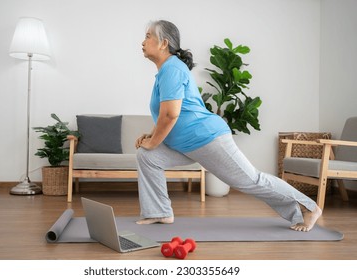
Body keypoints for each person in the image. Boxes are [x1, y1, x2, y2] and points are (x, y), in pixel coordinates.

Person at [135, 20, 322, 232]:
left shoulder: (172, 68)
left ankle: (309, 207)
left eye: (148, 36)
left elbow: (171, 114)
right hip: (187, 144)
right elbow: (167, 113)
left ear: (163, 43)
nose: (143, 42)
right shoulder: (166, 71)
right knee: (148, 156)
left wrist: (153, 142)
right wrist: (150, 137)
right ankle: (159, 212)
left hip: (207, 138)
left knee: (252, 180)